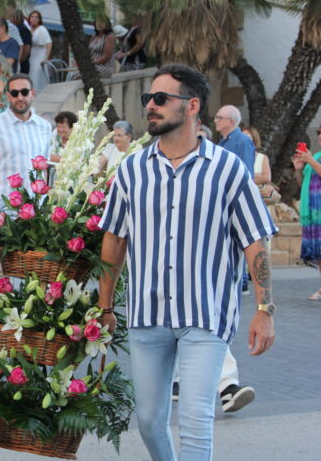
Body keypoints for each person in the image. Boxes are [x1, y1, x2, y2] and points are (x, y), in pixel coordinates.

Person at [98, 64, 277, 461]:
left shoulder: (228, 169)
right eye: (149, 99)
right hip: (148, 316)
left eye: (162, 99)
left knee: (196, 422)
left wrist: (264, 309)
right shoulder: (131, 169)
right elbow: (114, 238)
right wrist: (104, 305)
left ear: (192, 105)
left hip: (206, 315)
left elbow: (255, 243)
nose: (151, 106)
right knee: (148, 420)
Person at [0, 73, 51, 207]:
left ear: (32, 93)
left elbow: (43, 169)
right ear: (8, 96)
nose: (20, 97)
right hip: (5, 214)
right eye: (15, 93)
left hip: (37, 214)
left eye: (24, 92)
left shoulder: (44, 127)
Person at [215, 104, 256, 296]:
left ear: (231, 121)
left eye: (219, 118)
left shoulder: (242, 141)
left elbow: (246, 172)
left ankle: (242, 283)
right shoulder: (223, 142)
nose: (216, 120)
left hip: (235, 201)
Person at [292, 127, 321, 301]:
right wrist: (298, 168)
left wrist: (310, 160)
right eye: (318, 133)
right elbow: (302, 183)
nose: (320, 136)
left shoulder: (314, 159)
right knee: (319, 253)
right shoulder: (316, 157)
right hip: (312, 212)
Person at [28, 10, 52, 92]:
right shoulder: (29, 29)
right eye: (32, 17)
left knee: (37, 76)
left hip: (40, 56)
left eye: (36, 17)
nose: (34, 19)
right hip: (32, 56)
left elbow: (49, 43)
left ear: (39, 19)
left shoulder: (42, 29)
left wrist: (46, 57)